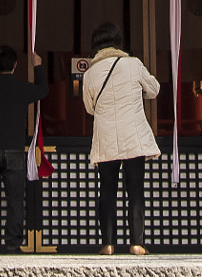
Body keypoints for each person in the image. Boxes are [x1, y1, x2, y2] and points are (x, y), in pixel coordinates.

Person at [81, 22, 159, 255]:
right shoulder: (133, 65)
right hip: (133, 136)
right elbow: (154, 89)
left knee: (107, 190)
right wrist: (137, 94)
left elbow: (89, 108)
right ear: (118, 42)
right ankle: (136, 243)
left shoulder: (91, 73)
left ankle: (107, 243)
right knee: (135, 189)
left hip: (106, 137)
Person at [0, 46, 49, 253]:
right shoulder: (22, 88)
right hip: (14, 149)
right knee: (15, 199)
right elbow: (43, 90)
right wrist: (38, 67)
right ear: (15, 65)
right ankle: (13, 243)